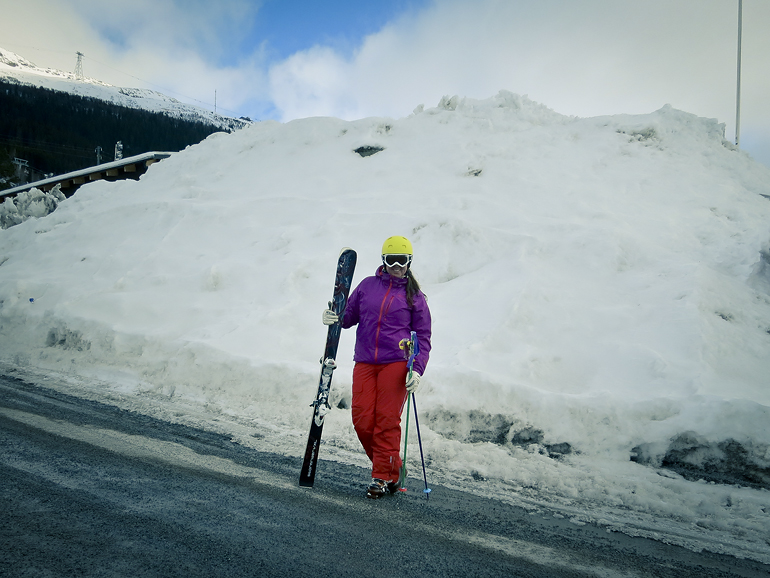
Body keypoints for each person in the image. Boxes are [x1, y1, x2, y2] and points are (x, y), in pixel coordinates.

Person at [322, 235, 432, 499]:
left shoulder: (414, 297)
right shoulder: (367, 286)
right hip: (365, 362)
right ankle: (394, 469)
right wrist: (334, 317)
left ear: (409, 261)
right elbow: (349, 318)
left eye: (402, 260)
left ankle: (381, 476)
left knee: (385, 421)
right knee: (362, 420)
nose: (397, 265)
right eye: (391, 260)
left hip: (395, 364)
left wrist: (416, 369)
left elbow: (424, 337)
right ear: (384, 261)